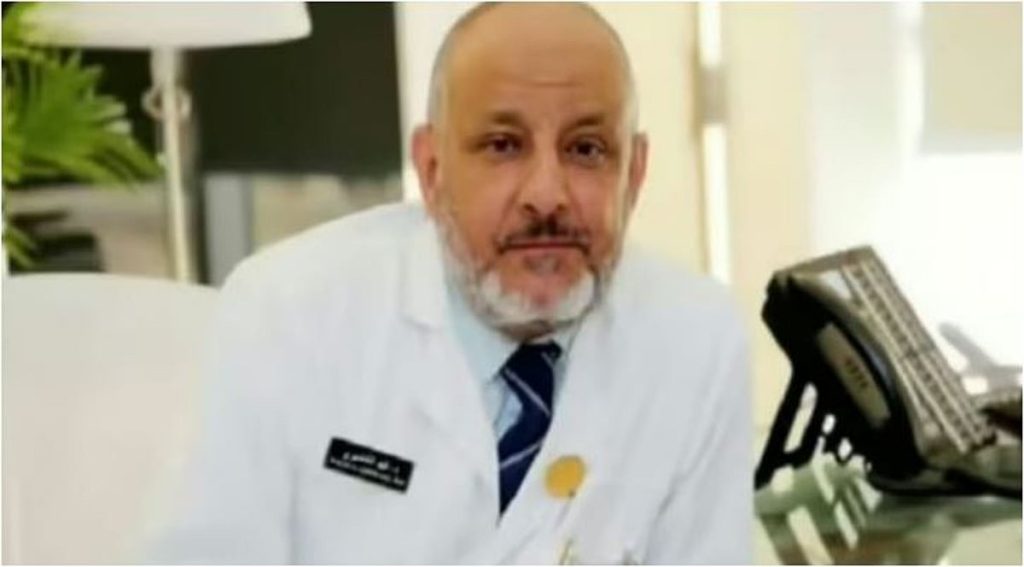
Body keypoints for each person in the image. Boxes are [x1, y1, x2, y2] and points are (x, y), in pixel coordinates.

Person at [152, 2, 752, 564]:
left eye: (586, 149)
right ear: (432, 169)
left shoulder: (696, 340)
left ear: (635, 175)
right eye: (503, 145)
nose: (547, 194)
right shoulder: (285, 313)